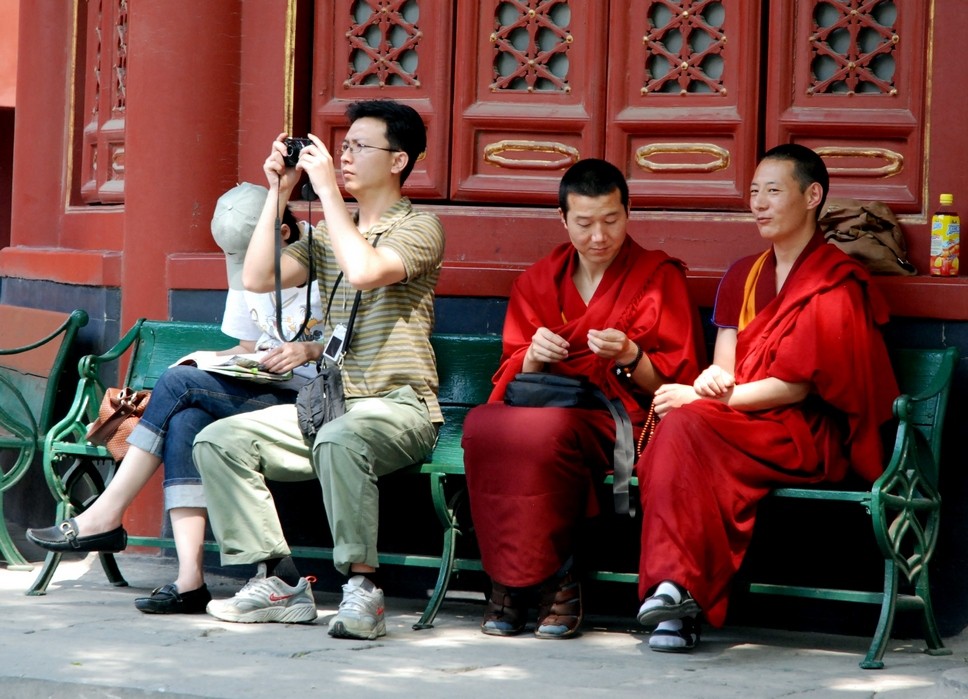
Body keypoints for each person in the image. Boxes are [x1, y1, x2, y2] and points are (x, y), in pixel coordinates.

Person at [193, 99, 444, 639]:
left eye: (357, 146)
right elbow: (257, 277)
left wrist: (328, 190)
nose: (343, 156)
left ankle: (362, 589)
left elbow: (365, 269)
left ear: (398, 161)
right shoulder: (328, 234)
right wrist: (279, 194)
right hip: (333, 406)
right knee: (219, 440)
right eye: (342, 146)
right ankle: (280, 582)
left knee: (340, 438)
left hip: (400, 406)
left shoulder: (422, 228)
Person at [634, 144, 899, 653]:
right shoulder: (743, 275)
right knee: (683, 435)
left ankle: (676, 592)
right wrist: (710, 381)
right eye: (754, 191)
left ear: (813, 196)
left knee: (685, 428)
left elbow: (795, 386)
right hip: (743, 424)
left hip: (802, 432)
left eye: (773, 191)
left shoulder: (833, 283)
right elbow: (727, 368)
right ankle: (674, 596)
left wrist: (697, 398)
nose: (759, 202)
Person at [26, 183, 325, 614]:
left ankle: (105, 514)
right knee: (186, 417)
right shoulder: (249, 263)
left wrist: (304, 352)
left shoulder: (324, 260)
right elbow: (248, 347)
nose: (247, 272)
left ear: (282, 234)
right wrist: (211, 358)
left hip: (309, 399)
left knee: (175, 383)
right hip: (265, 389)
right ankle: (190, 581)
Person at [460, 158, 703, 639]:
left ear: (628, 214)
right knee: (483, 426)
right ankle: (511, 577)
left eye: (611, 220)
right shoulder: (537, 281)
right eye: (585, 223)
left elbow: (676, 389)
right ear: (563, 219)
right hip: (547, 410)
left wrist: (633, 355)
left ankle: (552, 581)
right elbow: (510, 377)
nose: (599, 236)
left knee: (544, 434)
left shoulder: (659, 278)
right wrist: (533, 357)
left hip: (617, 417)